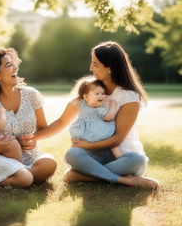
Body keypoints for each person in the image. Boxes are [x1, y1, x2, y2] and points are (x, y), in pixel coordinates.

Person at [33, 41, 160, 189]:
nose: (90, 67)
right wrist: (33, 138)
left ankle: (81, 175)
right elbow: (61, 122)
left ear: (110, 68)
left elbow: (117, 139)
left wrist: (88, 145)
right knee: (72, 154)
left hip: (121, 157)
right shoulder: (91, 90)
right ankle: (124, 180)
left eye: (95, 64)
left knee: (137, 160)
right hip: (93, 158)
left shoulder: (129, 97)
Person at [0, 48, 57, 186]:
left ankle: (23, 176)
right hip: (2, 158)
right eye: (9, 65)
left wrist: (34, 138)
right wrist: (5, 144)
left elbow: (42, 128)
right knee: (27, 176)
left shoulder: (31, 95)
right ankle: (12, 178)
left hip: (30, 155)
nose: (16, 67)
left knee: (49, 163)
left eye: (13, 63)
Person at [69, 78, 121, 158]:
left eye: (103, 93)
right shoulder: (81, 103)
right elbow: (71, 103)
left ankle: (120, 158)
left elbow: (109, 117)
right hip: (83, 133)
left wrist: (112, 106)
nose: (101, 96)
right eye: (97, 94)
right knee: (75, 146)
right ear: (86, 97)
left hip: (98, 132)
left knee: (112, 144)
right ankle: (72, 158)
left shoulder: (100, 109)